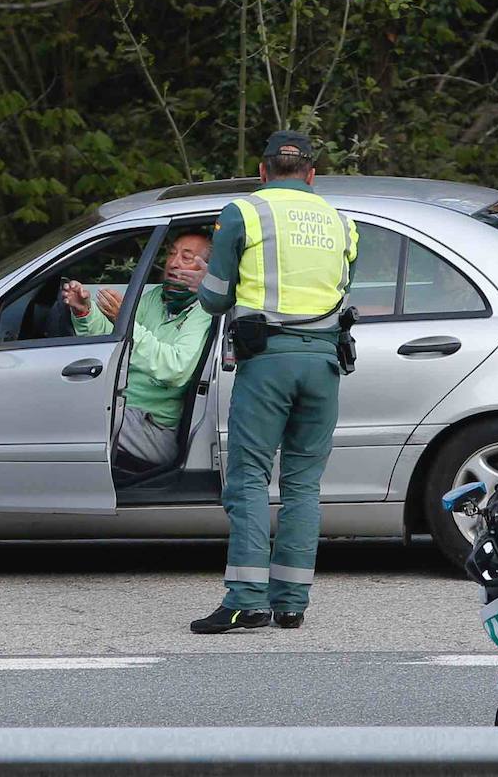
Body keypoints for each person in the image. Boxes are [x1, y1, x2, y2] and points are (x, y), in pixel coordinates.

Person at [189, 131, 358, 633]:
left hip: (267, 362)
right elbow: (341, 287)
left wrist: (209, 282)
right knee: (303, 485)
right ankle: (291, 603)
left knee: (247, 480)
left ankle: (245, 600)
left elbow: (215, 299)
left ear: (262, 171)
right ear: (311, 174)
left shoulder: (244, 212)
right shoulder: (342, 222)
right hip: (324, 363)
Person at [61, 233, 214, 472]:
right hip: (122, 406)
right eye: (172, 253)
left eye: (186, 257)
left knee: (66, 420)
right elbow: (116, 338)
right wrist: (85, 312)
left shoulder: (205, 310)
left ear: (206, 269)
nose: (173, 263)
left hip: (152, 427)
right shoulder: (156, 298)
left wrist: (126, 321)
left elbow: (176, 369)